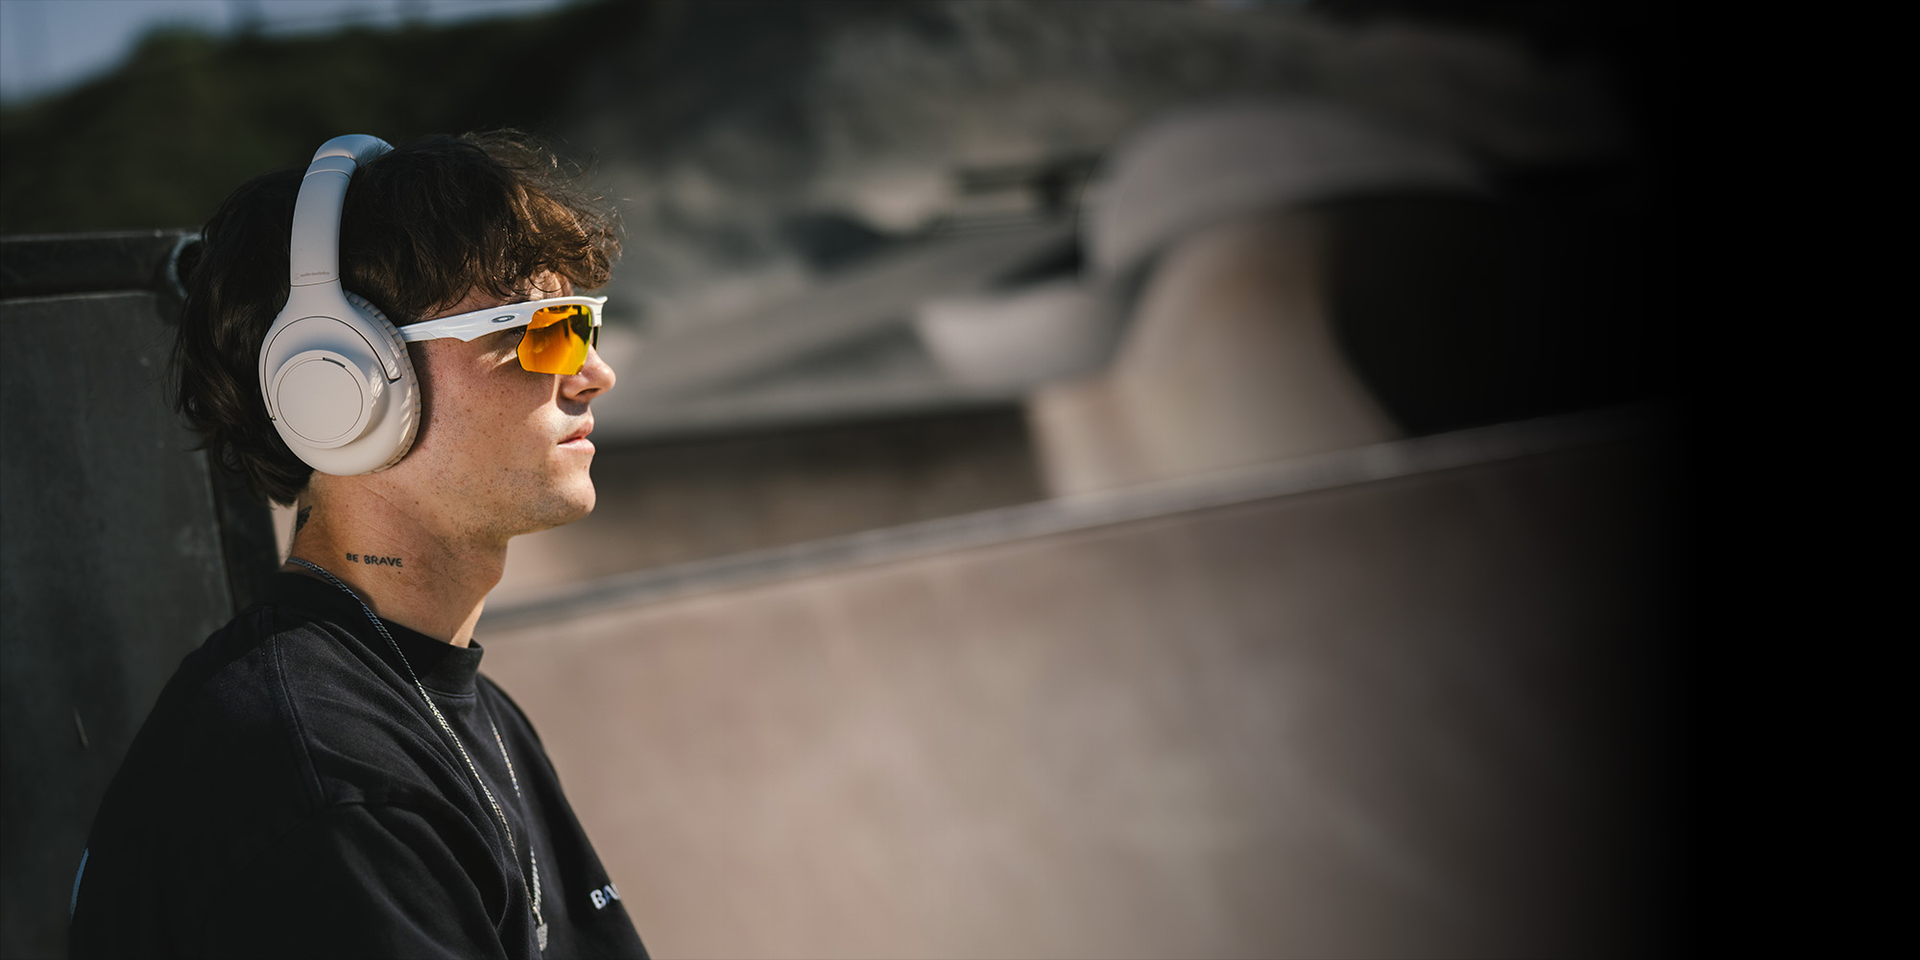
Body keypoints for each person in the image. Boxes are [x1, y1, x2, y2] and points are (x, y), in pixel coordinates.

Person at [67, 132, 648, 958]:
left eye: (584, 322)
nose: (594, 373)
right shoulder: (329, 786)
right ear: (342, 383)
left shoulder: (444, 708)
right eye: (542, 329)